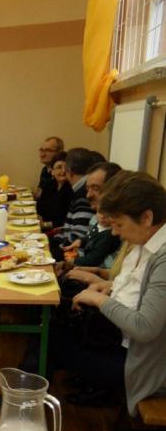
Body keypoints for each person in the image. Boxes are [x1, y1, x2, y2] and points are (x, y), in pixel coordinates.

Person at [67, 171, 166, 411]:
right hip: (120, 343)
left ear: (146, 217)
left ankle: (23, 405)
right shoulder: (144, 243)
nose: (114, 232)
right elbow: (141, 290)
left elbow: (144, 327)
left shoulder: (161, 257)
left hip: (142, 366)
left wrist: (99, 299)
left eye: (119, 224)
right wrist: (109, 286)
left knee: (52, 339)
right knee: (56, 320)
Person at [56, 162, 122, 292]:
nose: (88, 195)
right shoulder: (96, 219)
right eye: (88, 189)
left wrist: (79, 268)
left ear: (114, 191)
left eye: (96, 188)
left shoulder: (118, 230)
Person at [49, 148, 98, 260]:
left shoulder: (83, 194)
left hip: (72, 254)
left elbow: (76, 237)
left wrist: (52, 249)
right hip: (68, 247)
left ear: (69, 171)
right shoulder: (79, 190)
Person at [36, 151, 73, 230]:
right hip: (44, 226)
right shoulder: (49, 185)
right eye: (59, 167)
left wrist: (46, 224)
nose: (63, 171)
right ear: (52, 171)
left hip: (58, 230)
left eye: (66, 168)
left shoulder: (71, 189)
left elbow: (68, 219)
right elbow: (40, 207)